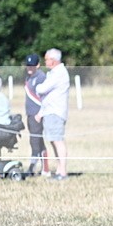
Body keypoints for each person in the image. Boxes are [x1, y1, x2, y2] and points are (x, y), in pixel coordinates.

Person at [36, 48, 70, 180]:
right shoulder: (53, 73)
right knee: (53, 141)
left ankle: (63, 172)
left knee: (58, 141)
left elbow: (42, 88)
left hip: (55, 112)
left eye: (47, 59)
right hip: (50, 111)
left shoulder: (59, 73)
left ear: (54, 60)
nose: (45, 62)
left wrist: (37, 87)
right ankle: (59, 170)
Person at [24, 53, 46, 174]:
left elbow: (44, 98)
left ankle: (32, 167)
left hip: (37, 114)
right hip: (30, 113)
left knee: (35, 141)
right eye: (28, 65)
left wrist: (40, 113)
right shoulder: (28, 77)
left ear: (37, 65)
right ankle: (45, 167)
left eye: (32, 65)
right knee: (38, 141)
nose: (29, 68)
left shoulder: (41, 77)